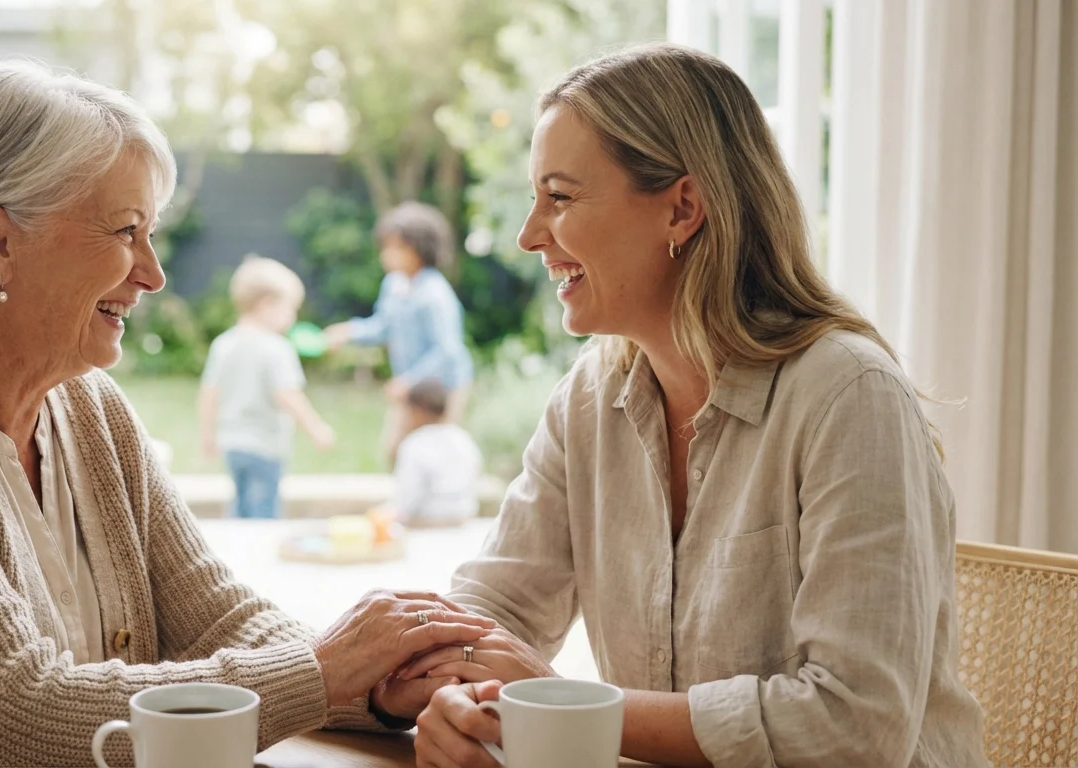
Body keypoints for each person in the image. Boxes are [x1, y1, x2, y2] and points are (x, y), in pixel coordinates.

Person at [0, 61, 494, 767]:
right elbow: (14, 721)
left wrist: (379, 684)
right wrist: (322, 672)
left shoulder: (87, 407)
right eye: (124, 232)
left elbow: (216, 616)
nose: (151, 273)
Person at [399, 44, 988, 768]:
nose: (530, 236)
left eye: (559, 197)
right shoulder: (588, 400)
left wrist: (569, 711)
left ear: (681, 208)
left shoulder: (848, 397)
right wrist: (457, 696)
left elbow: (852, 727)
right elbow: (497, 612)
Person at [323, 202, 475, 464]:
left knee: (434, 455)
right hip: (410, 388)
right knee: (395, 450)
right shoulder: (393, 284)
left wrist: (409, 381)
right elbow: (383, 325)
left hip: (442, 389)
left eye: (398, 248)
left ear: (421, 250)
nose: (388, 255)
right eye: (386, 247)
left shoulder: (434, 295)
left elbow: (447, 350)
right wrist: (349, 331)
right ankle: (407, 503)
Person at [199, 255, 335, 519]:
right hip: (265, 447)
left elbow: (209, 393)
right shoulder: (276, 348)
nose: (293, 317)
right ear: (267, 304)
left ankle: (235, 551)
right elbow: (287, 395)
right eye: (291, 308)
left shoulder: (223, 344)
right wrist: (316, 428)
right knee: (262, 513)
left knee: (240, 505)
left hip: (232, 444)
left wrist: (207, 434)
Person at [373, 378, 482, 528]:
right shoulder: (463, 438)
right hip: (463, 519)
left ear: (417, 411)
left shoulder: (415, 444)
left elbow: (406, 500)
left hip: (426, 524)